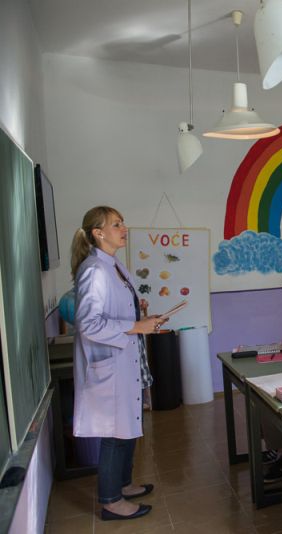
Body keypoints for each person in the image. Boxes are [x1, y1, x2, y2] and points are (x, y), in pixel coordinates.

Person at [71, 206, 162, 521]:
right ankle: (111, 501)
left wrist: (139, 314)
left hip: (124, 360)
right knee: (114, 433)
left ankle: (123, 484)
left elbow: (115, 310)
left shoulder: (114, 265)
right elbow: (88, 324)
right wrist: (136, 326)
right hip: (109, 366)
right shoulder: (94, 269)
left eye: (123, 223)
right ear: (98, 233)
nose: (124, 229)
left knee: (127, 427)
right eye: (116, 224)